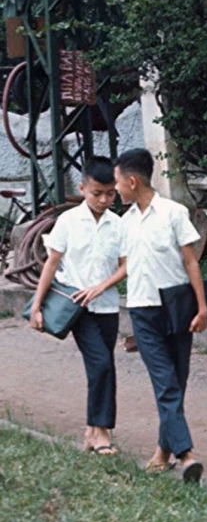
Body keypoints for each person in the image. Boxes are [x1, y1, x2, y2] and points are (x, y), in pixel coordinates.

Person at [114, 148, 207, 482]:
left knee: (177, 381)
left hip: (177, 306)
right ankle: (187, 455)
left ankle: (162, 452)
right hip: (142, 310)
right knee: (165, 382)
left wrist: (202, 306)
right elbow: (124, 268)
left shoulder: (173, 213)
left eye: (118, 182)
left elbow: (191, 262)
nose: (116, 190)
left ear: (133, 180)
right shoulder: (124, 223)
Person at [30, 156, 126, 455]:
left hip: (107, 306)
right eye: (97, 193)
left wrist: (101, 286)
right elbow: (52, 263)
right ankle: (102, 434)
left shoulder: (118, 224)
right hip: (76, 308)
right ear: (83, 188)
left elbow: (127, 265)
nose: (104, 199)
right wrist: (36, 306)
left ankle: (92, 431)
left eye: (110, 193)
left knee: (101, 366)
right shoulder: (68, 221)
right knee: (101, 364)